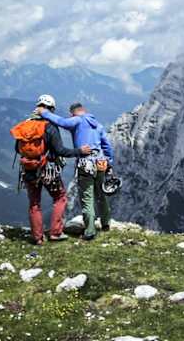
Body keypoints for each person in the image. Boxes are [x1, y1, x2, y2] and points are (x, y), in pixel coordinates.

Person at [11, 94, 92, 245]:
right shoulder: (49, 127)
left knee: (34, 203)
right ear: (51, 109)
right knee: (60, 197)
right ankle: (55, 233)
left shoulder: (24, 126)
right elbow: (61, 150)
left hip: (29, 170)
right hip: (48, 171)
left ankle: (37, 237)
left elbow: (18, 148)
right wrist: (79, 151)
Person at [36, 101, 113, 240]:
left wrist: (44, 113)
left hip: (86, 163)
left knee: (87, 197)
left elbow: (62, 122)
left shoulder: (77, 120)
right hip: (101, 162)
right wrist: (109, 162)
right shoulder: (98, 125)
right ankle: (106, 223)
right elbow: (107, 146)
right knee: (101, 194)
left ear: (72, 113)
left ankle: (90, 231)